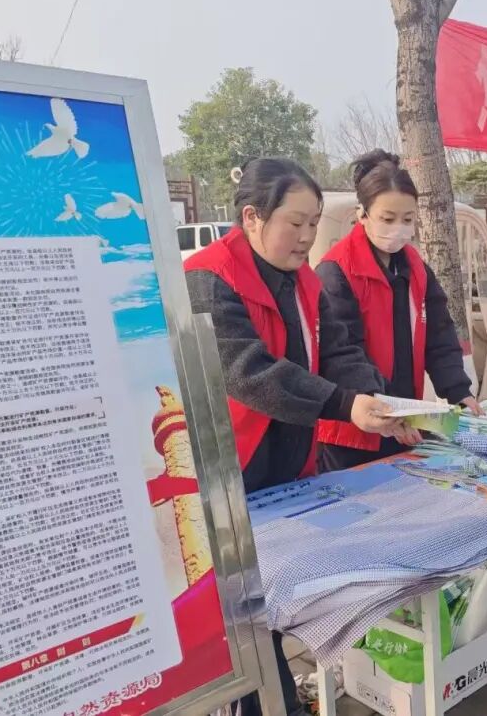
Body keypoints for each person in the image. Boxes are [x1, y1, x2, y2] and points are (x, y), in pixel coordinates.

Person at [184, 157, 409, 716]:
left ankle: (277, 693)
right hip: (227, 474)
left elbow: (339, 351)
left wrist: (376, 400)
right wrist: (343, 405)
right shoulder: (206, 279)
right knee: (239, 623)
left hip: (288, 474)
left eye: (314, 224)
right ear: (252, 217)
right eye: (296, 223)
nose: (308, 237)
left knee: (270, 612)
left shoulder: (302, 279)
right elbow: (247, 372)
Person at [315, 149, 482, 470]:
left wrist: (459, 392)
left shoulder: (415, 268)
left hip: (403, 417)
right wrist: (387, 410)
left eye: (408, 220)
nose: (399, 229)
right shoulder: (336, 271)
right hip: (356, 428)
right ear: (362, 214)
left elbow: (440, 335)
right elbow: (345, 355)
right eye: (388, 219)